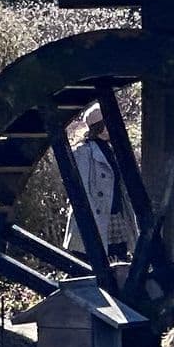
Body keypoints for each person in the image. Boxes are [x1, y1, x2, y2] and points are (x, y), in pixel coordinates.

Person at [63, 103, 137, 259]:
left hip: (115, 214)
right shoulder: (83, 152)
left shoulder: (112, 150)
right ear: (101, 127)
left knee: (120, 258)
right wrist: (88, 221)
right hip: (97, 217)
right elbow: (81, 191)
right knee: (93, 262)